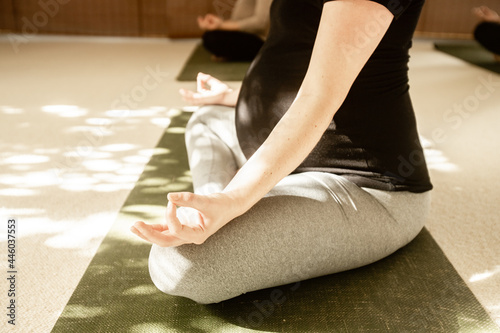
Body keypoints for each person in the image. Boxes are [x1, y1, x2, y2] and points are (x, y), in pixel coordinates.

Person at [131, 0, 433, 304]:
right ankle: (211, 208)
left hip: (363, 186)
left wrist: (235, 198)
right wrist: (237, 96)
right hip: (282, 157)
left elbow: (320, 96)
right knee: (206, 119)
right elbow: (299, 53)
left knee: (177, 264)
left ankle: (228, 202)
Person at [197, 0, 272, 61]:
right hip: (249, 34)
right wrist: (220, 24)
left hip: (262, 39)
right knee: (212, 35)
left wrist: (221, 25)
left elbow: (261, 23)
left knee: (211, 38)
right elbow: (238, 19)